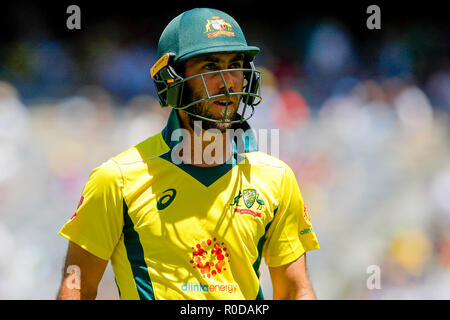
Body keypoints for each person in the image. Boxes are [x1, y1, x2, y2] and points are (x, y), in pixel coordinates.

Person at [57, 7, 320, 300]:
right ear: (171, 79)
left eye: (235, 65)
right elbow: (77, 288)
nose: (228, 82)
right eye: (209, 66)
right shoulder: (116, 179)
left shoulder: (277, 178)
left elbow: (295, 290)